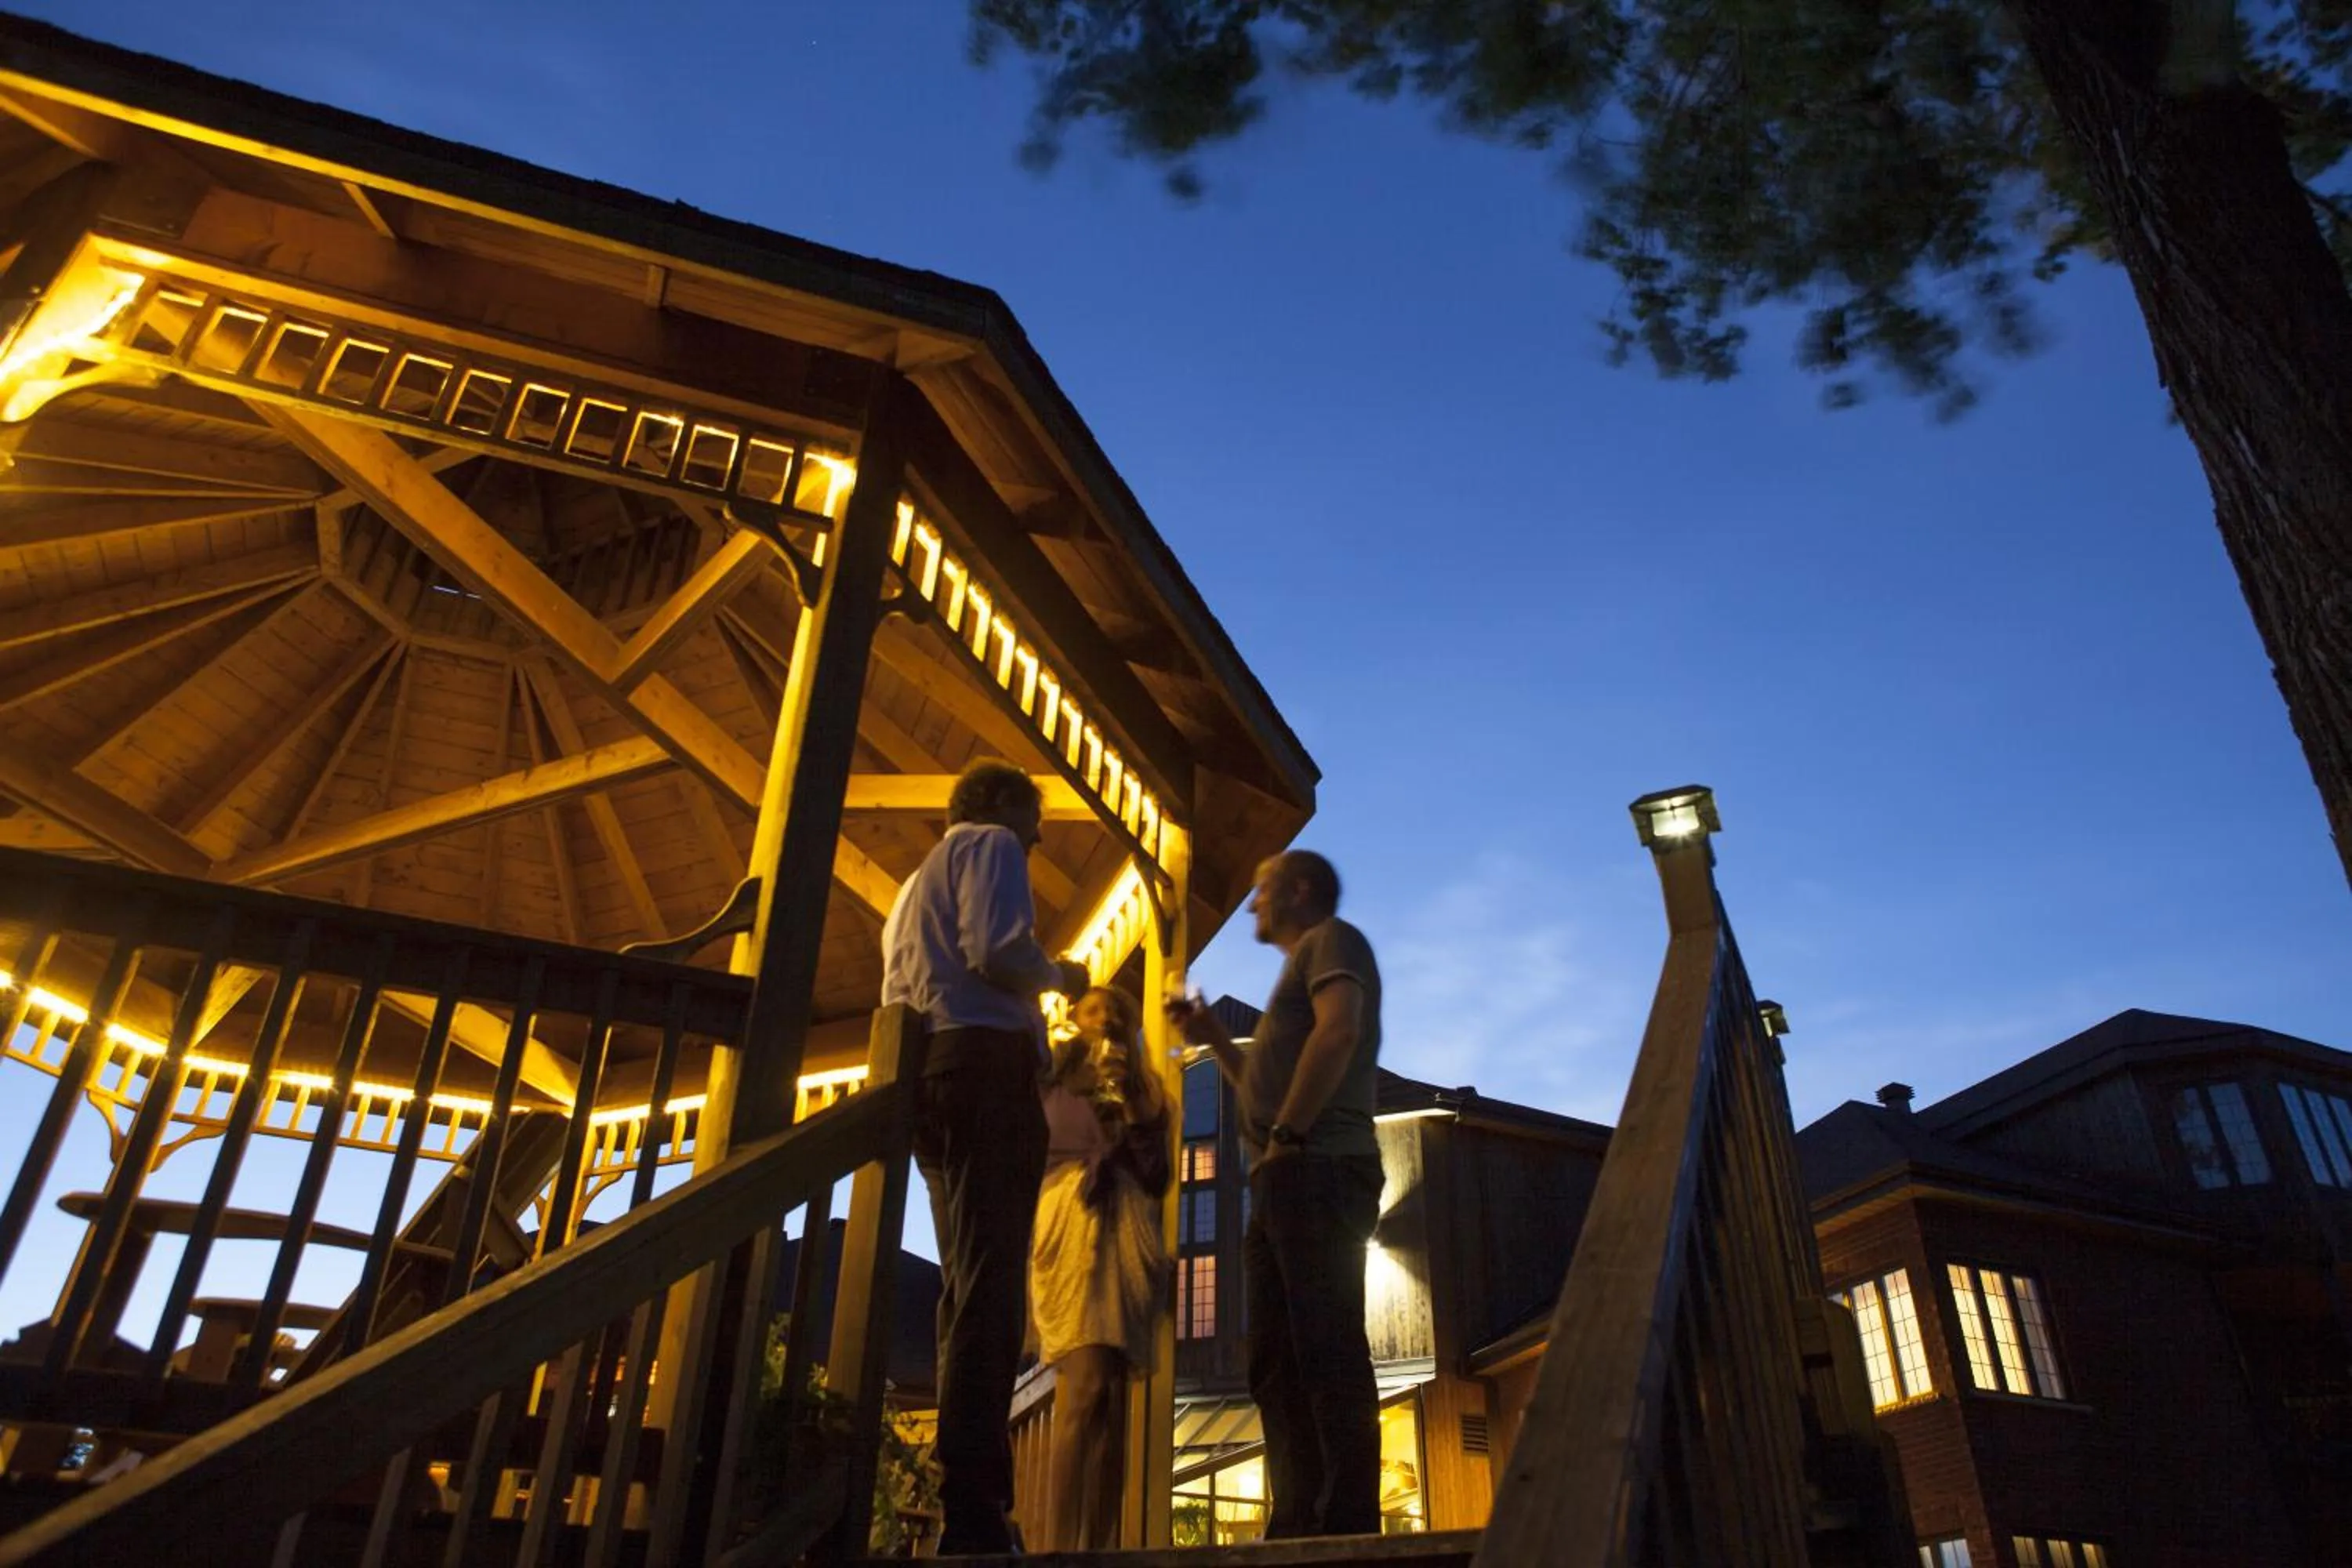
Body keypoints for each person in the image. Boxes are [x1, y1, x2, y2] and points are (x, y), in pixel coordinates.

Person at [881, 760, 1091, 1555]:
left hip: (931, 1084)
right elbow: (998, 949)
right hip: (986, 1076)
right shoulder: (991, 845)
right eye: (1032, 830)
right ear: (1004, 806)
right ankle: (975, 1502)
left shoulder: (909, 893)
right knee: (994, 1288)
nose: (1032, 847)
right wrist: (1061, 975)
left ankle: (964, 1489)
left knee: (961, 1288)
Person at [1167, 851, 1384, 1539]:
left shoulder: (1332, 941)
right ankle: (1296, 1518)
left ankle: (1347, 1520)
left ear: (1298, 891)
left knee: (1325, 1346)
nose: (1253, 904)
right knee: (1274, 1360)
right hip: (1280, 1177)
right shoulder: (1290, 984)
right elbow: (1259, 1095)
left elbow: (1341, 1027)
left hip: (1318, 1167)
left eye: (1262, 890)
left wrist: (1291, 1133)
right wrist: (1211, 1040)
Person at [1029, 986, 1173, 1552]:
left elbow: (1158, 1176)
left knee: (1113, 1402)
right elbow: (1034, 1154)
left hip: (1129, 1231)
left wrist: (1134, 1108)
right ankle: (1061, 1548)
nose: (1106, 1018)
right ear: (1076, 1022)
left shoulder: (1148, 1090)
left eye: (1117, 1014)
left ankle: (1100, 1546)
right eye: (1093, 1010)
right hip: (1074, 1224)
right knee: (1084, 1387)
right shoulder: (1053, 1083)